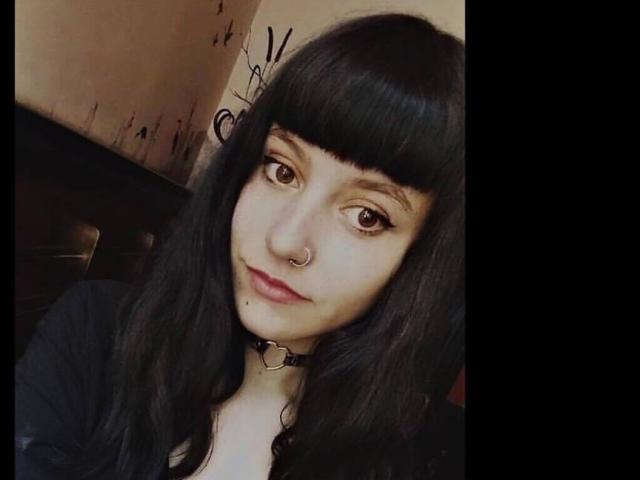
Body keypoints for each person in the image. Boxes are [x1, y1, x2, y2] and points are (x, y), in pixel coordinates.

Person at [15, 12, 465, 480]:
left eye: (366, 216)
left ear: (423, 261)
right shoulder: (97, 336)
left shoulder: (429, 459)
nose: (285, 240)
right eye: (282, 170)